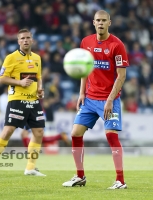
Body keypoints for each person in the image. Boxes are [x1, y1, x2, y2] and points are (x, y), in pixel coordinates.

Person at [62, 10, 129, 189]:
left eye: (103, 20)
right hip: (90, 99)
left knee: (111, 137)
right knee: (75, 133)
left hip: (110, 100)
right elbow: (84, 69)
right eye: (98, 20)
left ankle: (120, 181)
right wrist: (81, 93)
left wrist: (110, 100)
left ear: (109, 22)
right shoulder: (86, 42)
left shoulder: (117, 45)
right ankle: (80, 176)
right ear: (93, 22)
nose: (100, 23)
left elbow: (121, 76)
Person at [0, 28, 46, 176]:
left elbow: (39, 76)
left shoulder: (37, 58)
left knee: (39, 132)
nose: (25, 40)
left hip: (34, 100)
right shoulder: (11, 57)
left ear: (32, 40)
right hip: (17, 99)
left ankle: (30, 168)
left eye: (28, 38)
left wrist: (40, 89)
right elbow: (2, 78)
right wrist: (20, 82)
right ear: (18, 41)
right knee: (9, 130)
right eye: (22, 38)